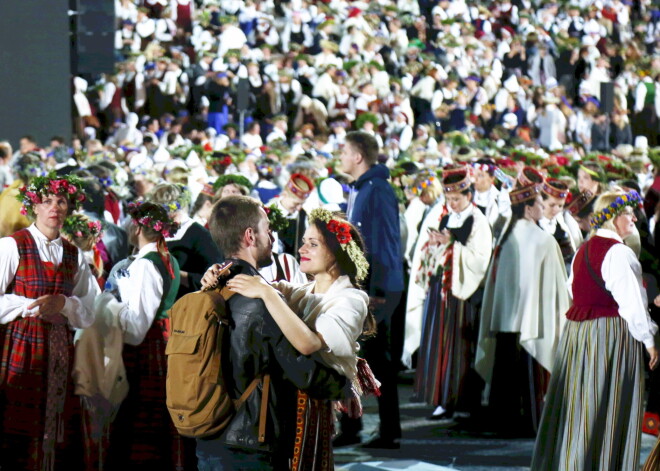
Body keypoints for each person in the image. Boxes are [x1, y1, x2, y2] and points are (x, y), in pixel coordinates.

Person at [196, 196, 346, 470]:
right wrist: (343, 383)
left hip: (207, 434)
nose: (273, 235)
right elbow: (301, 369)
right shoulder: (261, 301)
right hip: (250, 442)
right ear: (250, 236)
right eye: (267, 228)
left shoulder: (207, 289)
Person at [225, 207, 376, 470]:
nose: (302, 249)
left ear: (336, 253)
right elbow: (260, 283)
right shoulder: (305, 291)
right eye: (304, 242)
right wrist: (220, 272)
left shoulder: (351, 299)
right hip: (286, 397)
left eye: (313, 244)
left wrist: (268, 295)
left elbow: (308, 343)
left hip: (311, 404)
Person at [532, 190, 659, 470]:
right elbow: (632, 304)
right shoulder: (619, 252)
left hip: (578, 335)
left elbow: (573, 288)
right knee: (607, 403)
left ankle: (573, 460)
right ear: (613, 218)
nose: (634, 218)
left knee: (581, 403)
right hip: (609, 335)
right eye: (627, 213)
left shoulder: (583, 250)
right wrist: (649, 341)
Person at [0, 174, 99, 470]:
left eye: (61, 201)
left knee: (54, 426)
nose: (54, 207)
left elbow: (91, 308)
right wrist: (31, 306)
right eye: (46, 201)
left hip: (59, 350)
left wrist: (66, 304)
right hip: (20, 344)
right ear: (34, 206)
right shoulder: (11, 246)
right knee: (16, 423)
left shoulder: (74, 255)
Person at [476, 168, 570, 437]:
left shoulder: (505, 237)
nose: (543, 208)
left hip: (506, 322)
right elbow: (555, 288)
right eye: (540, 204)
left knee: (504, 376)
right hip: (532, 324)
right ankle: (528, 424)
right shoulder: (543, 240)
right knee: (527, 379)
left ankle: (501, 423)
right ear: (528, 209)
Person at [106, 201, 189, 470]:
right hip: (159, 343)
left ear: (139, 227)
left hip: (147, 348)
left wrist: (110, 307)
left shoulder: (146, 264)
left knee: (141, 420)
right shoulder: (167, 259)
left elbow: (137, 326)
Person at [335, 131, 404, 449]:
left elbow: (384, 243)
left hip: (376, 289)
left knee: (365, 358)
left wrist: (373, 290)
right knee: (361, 357)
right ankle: (365, 427)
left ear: (358, 156)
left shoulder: (376, 190)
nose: (340, 156)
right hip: (370, 286)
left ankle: (377, 430)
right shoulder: (365, 189)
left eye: (344, 151)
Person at [413, 167, 492, 421]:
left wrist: (451, 245)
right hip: (441, 289)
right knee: (439, 344)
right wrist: (434, 244)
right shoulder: (447, 217)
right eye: (449, 200)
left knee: (459, 347)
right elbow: (435, 249)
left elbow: (480, 259)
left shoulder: (478, 221)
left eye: (457, 199)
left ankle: (462, 400)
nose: (453, 204)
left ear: (469, 195)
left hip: (462, 293)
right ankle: (441, 398)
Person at [148, 182, 223, 298]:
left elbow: (213, 279)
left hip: (184, 304)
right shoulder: (153, 231)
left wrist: (176, 274)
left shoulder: (200, 235)